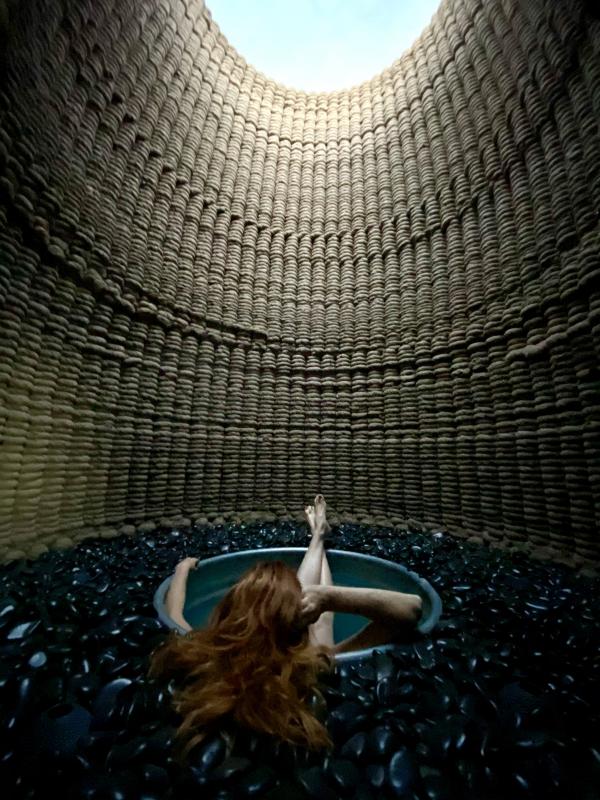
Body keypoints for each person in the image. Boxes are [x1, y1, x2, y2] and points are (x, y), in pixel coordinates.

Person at [149, 495, 423, 759]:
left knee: (309, 611)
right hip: (311, 646)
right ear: (295, 627)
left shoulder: (203, 651)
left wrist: (182, 569)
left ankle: (318, 536)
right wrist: (328, 599)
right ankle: (318, 536)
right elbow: (411, 609)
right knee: (323, 620)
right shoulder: (310, 666)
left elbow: (174, 612)